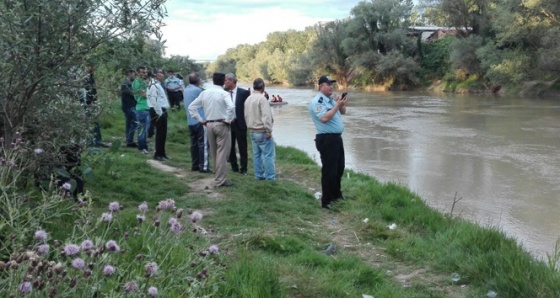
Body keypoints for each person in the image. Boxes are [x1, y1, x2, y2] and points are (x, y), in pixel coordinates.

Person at [308, 75, 349, 209]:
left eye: (332, 84)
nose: (331, 86)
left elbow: (343, 112)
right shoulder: (318, 101)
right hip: (327, 139)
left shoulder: (330, 100)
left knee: (339, 168)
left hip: (336, 138)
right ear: (321, 87)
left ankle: (336, 195)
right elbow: (324, 118)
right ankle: (326, 200)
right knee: (329, 171)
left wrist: (341, 104)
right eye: (328, 84)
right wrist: (337, 105)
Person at [188, 72, 235, 187]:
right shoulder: (224, 93)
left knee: (214, 152)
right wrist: (228, 119)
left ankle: (217, 175)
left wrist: (201, 120)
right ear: (223, 81)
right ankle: (220, 180)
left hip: (209, 124)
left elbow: (191, 107)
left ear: (213, 80)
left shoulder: (204, 93)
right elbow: (232, 107)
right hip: (221, 124)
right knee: (222, 153)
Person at [244, 78, 275, 181]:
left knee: (256, 155)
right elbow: (266, 116)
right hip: (262, 131)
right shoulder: (262, 99)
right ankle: (270, 177)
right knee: (268, 155)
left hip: (252, 130)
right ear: (263, 87)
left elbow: (245, 115)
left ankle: (258, 175)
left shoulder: (248, 99)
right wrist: (268, 130)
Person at [184, 73, 210, 173]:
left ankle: (195, 165)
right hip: (200, 121)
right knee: (203, 144)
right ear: (198, 80)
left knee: (193, 144)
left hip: (190, 121)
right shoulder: (198, 90)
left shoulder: (186, 89)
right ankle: (203, 167)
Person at [224, 73, 250, 175]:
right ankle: (234, 167)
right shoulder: (223, 93)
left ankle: (244, 169)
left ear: (231, 81)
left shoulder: (244, 93)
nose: (224, 82)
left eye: (226, 80)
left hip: (240, 123)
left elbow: (248, 108)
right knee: (230, 146)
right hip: (228, 123)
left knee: (242, 147)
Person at [83, 65, 110, 148]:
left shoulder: (91, 77)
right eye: (91, 66)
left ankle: (97, 141)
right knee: (91, 123)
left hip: (93, 102)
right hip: (88, 103)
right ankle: (92, 142)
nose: (93, 68)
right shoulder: (84, 78)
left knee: (95, 123)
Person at [147, 69, 171, 161]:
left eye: (162, 72)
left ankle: (162, 153)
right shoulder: (153, 85)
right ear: (155, 74)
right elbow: (154, 100)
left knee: (163, 133)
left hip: (162, 110)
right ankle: (158, 154)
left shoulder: (158, 84)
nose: (162, 75)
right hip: (158, 110)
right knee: (160, 133)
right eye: (160, 73)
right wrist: (160, 112)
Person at [132, 66, 151, 154]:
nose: (144, 74)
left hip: (146, 107)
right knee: (142, 129)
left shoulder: (143, 82)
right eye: (142, 72)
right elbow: (144, 94)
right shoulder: (137, 82)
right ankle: (141, 147)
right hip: (141, 107)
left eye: (145, 72)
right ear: (137, 73)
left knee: (145, 129)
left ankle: (144, 145)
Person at [121, 69, 137, 147]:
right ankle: (130, 140)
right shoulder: (125, 84)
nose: (134, 76)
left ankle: (129, 140)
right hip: (129, 106)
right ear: (129, 74)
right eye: (133, 74)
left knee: (129, 123)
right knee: (135, 123)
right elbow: (132, 93)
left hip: (130, 105)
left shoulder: (129, 83)